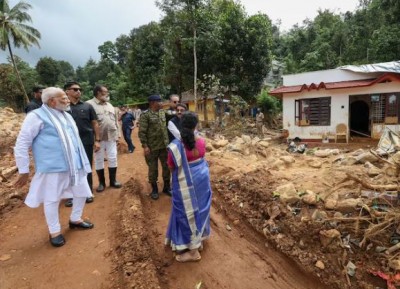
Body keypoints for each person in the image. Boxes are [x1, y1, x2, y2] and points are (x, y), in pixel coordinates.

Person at [14, 87, 94, 248]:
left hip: (75, 164)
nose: (67, 100)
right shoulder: (35, 117)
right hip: (53, 167)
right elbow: (22, 143)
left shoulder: (66, 115)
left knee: (81, 192)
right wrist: (23, 169)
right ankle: (55, 231)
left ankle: (75, 219)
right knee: (52, 198)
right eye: (63, 98)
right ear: (52, 101)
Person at [165, 112, 212, 262]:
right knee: (201, 209)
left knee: (186, 212)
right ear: (196, 125)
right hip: (202, 178)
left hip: (186, 180)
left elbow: (171, 166)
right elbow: (201, 156)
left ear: (181, 125)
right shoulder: (202, 141)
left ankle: (193, 251)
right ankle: (199, 240)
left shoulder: (176, 146)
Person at [63, 81, 100, 207]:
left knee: (86, 167)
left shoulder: (87, 106)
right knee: (70, 168)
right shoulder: (62, 108)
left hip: (86, 141)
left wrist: (97, 140)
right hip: (69, 143)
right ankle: (72, 195)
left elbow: (95, 123)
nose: (78, 91)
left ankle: (87, 192)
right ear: (67, 91)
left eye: (80, 89)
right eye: (75, 89)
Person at [87, 85, 122, 192]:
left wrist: (118, 135)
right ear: (98, 92)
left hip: (111, 136)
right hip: (98, 138)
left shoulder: (110, 105)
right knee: (99, 159)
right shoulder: (89, 105)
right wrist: (94, 139)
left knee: (113, 157)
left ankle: (113, 180)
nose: (107, 94)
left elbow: (116, 121)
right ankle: (101, 183)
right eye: (105, 92)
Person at [138, 94, 171, 200]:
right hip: (152, 147)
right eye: (159, 101)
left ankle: (166, 187)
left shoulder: (163, 113)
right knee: (153, 169)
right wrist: (145, 146)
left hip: (164, 146)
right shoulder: (145, 115)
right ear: (152, 103)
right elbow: (142, 132)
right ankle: (155, 189)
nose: (161, 103)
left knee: (166, 167)